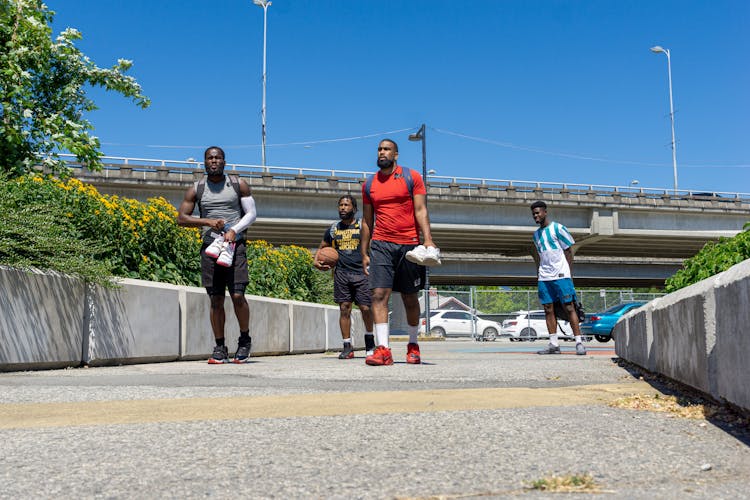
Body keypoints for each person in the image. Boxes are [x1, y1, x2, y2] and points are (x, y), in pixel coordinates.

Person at [360, 138, 441, 366]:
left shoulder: (411, 177)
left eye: (387, 149)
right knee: (378, 295)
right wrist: (364, 252)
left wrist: (428, 240)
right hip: (381, 244)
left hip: (409, 245)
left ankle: (413, 344)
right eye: (379, 149)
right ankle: (383, 349)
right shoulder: (369, 184)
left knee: (409, 297)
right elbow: (367, 220)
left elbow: (421, 210)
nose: (382, 152)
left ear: (396, 155)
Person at [177, 146, 257, 364]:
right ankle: (220, 347)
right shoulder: (196, 189)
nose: (214, 161)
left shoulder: (238, 184)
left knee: (238, 295)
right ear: (204, 162)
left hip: (235, 246)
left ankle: (244, 339)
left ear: (224, 161)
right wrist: (208, 222)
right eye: (210, 158)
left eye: (218, 158)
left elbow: (251, 213)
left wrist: (234, 230)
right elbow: (182, 218)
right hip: (210, 247)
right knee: (216, 299)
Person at [314, 195, 375, 359]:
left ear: (354, 209)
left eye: (346, 205)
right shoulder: (334, 229)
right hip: (342, 273)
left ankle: (370, 342)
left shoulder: (362, 226)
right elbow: (322, 247)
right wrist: (316, 261)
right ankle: (347, 346)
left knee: (366, 308)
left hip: (362, 273)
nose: (343, 207)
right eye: (340, 205)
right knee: (344, 309)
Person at [530, 200, 586, 355]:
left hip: (561, 274)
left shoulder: (558, 228)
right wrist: (539, 274)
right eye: (533, 214)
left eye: (538, 212)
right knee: (548, 309)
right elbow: (541, 256)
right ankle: (553, 344)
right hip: (544, 276)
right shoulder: (536, 235)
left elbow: (568, 251)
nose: (536, 216)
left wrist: (569, 273)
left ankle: (579, 342)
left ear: (545, 212)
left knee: (569, 307)